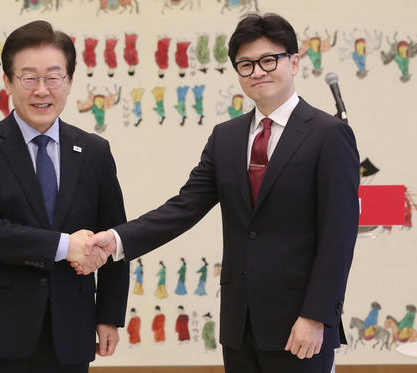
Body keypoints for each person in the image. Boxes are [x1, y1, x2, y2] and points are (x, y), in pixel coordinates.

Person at [78, 12, 359, 373]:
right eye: (246, 64)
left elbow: (339, 236)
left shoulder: (328, 134)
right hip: (239, 323)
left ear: (294, 62)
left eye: (268, 60)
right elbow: (184, 207)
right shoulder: (225, 137)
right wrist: (115, 240)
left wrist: (317, 316)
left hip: (299, 324)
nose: (258, 71)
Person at [0, 20, 129, 373]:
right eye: (29, 78)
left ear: (70, 82)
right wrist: (65, 245)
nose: (42, 90)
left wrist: (109, 315)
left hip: (71, 327)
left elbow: (114, 238)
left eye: (53, 77)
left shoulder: (94, 150)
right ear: (8, 82)